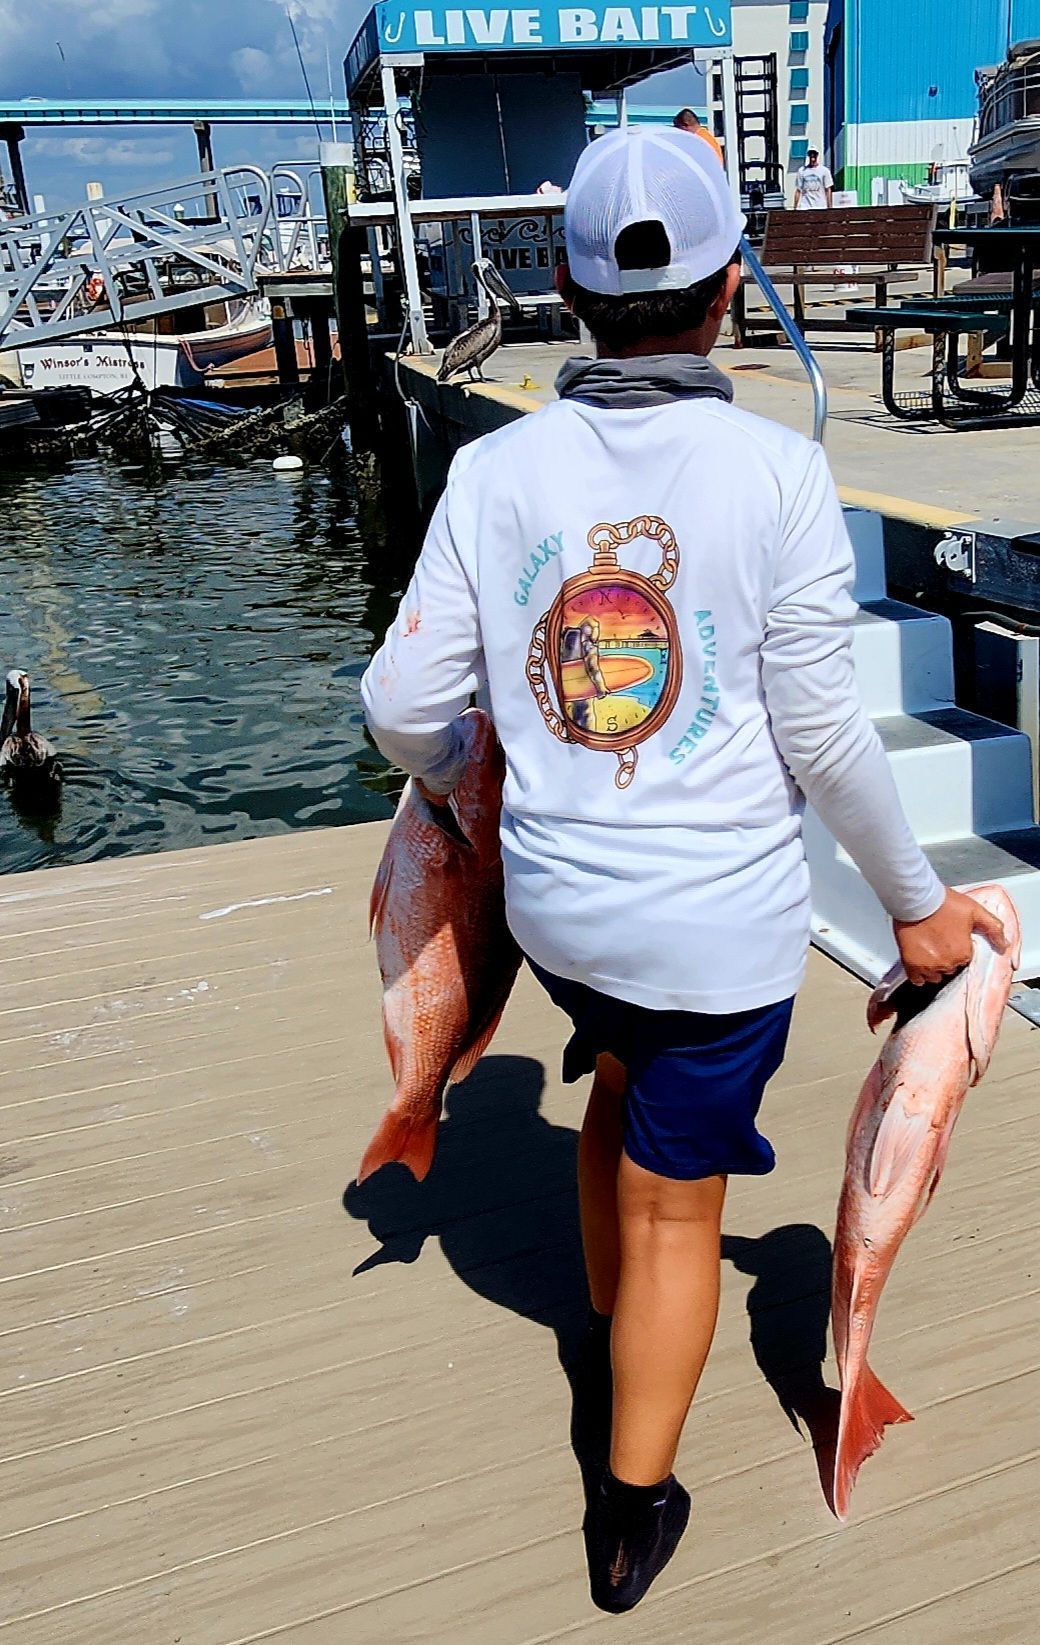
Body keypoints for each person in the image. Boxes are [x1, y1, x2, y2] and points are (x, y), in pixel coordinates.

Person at [361, 128, 1005, 1614]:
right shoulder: (779, 473)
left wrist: (474, 770)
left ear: (573, 298)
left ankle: (608, 1320)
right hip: (715, 944)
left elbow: (399, 709)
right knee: (677, 1211)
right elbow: (826, 735)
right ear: (726, 291)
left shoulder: (495, 467)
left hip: (561, 918)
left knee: (612, 1084)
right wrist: (916, 908)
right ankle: (631, 1504)